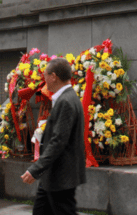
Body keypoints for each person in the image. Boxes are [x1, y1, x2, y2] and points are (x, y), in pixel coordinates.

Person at [21, 58, 86, 215]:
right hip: (54, 175)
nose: (44, 80)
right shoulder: (68, 98)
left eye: (45, 75)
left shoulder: (66, 101)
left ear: (53, 76)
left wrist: (36, 169)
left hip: (61, 175)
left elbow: (58, 141)